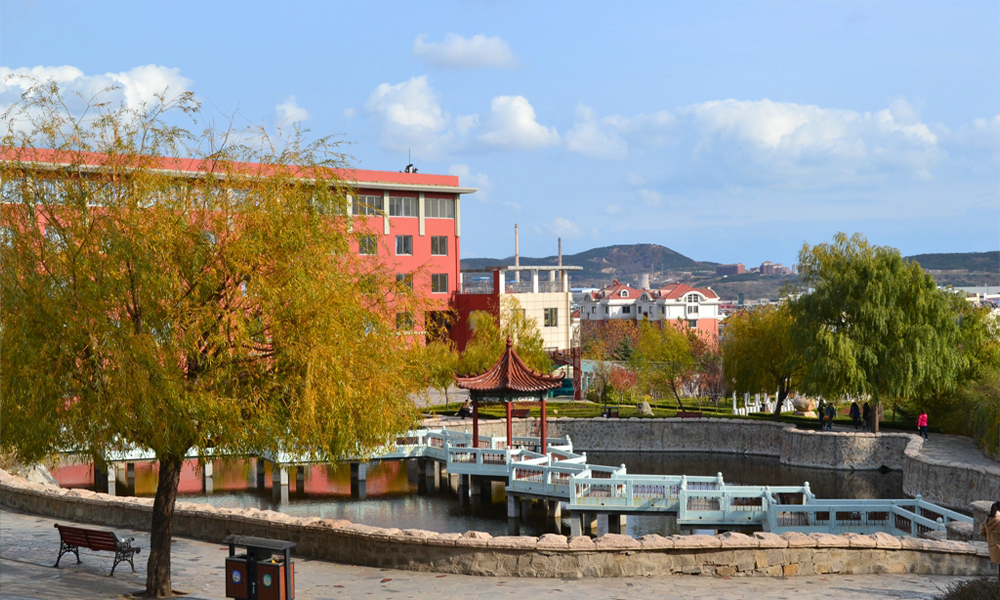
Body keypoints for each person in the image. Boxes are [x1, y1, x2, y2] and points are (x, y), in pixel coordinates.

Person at [980, 501, 1000, 577]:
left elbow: (982, 532)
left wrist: (990, 538)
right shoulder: (998, 521)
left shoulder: (988, 519)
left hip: (993, 547)